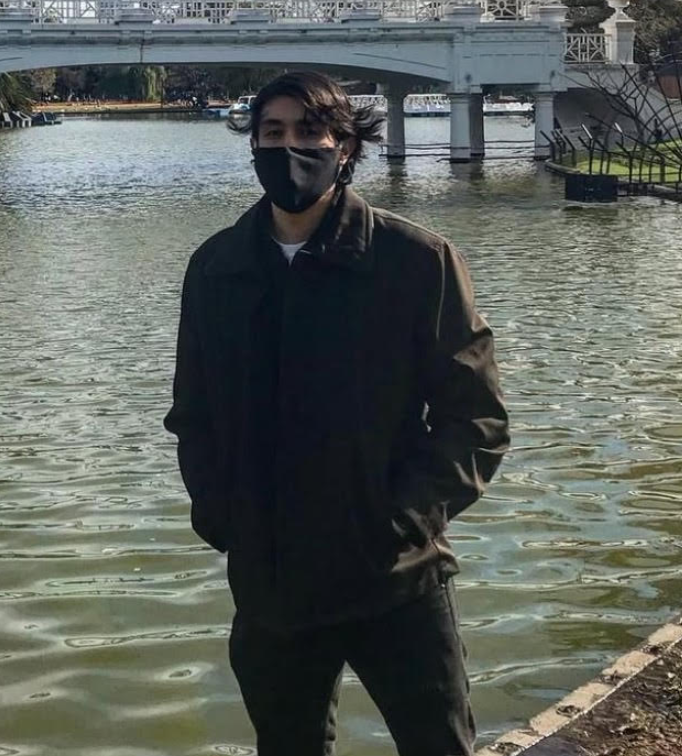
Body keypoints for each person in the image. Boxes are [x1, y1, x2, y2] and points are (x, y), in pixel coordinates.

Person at [162, 70, 510, 756]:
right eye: (272, 133)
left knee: (439, 744)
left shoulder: (415, 262)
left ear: (344, 147)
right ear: (253, 145)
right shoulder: (217, 269)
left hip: (394, 575)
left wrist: (405, 519)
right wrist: (221, 515)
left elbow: (476, 418)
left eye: (308, 132)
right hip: (272, 581)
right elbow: (194, 415)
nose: (289, 148)